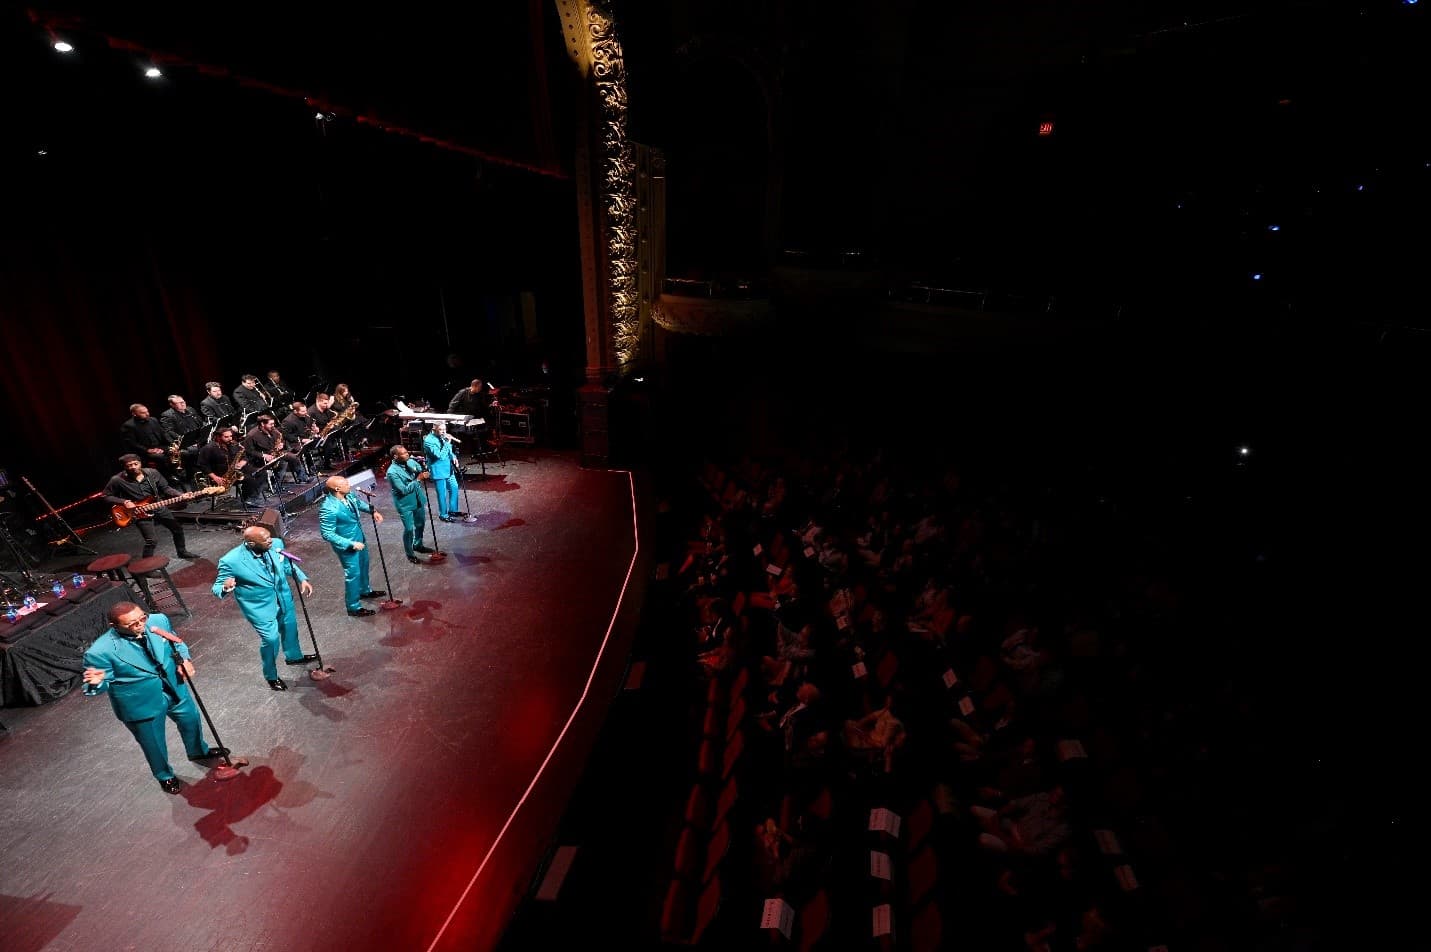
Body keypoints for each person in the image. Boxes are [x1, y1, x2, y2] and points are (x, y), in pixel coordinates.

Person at [81, 602, 225, 794]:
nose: (141, 624)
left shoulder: (158, 621)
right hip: (141, 703)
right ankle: (165, 775)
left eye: (142, 618)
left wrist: (184, 660)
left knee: (191, 720)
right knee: (154, 745)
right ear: (114, 626)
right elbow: (96, 686)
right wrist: (95, 682)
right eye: (132, 624)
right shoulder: (100, 651)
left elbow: (176, 642)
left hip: (174, 687)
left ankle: (198, 751)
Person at [213, 524, 315, 691]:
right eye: (265, 540)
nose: (270, 541)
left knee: (290, 627)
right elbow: (216, 587)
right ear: (252, 543)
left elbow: (287, 564)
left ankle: (294, 656)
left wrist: (301, 578)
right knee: (270, 639)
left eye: (269, 537)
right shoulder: (231, 560)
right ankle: (271, 675)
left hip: (283, 597)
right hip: (259, 607)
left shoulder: (275, 544)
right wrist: (225, 586)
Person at [103, 454, 200, 559]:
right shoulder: (117, 479)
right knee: (151, 541)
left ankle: (182, 552)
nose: (133, 467)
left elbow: (166, 488)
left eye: (136, 464)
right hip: (138, 512)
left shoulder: (152, 473)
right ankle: (147, 565)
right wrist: (124, 501)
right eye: (129, 465)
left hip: (157, 506)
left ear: (140, 463)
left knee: (177, 529)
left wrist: (180, 495)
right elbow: (106, 496)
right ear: (124, 467)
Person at [318, 476, 386, 616]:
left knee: (364, 565)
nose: (349, 485)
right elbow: (327, 533)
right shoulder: (328, 508)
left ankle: (365, 590)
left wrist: (373, 511)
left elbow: (359, 504)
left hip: (359, 538)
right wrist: (350, 543)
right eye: (345, 483)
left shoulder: (349, 495)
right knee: (353, 574)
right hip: (347, 545)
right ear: (337, 489)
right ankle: (353, 606)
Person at [388, 446, 437, 564]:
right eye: (404, 453)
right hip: (405, 504)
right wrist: (418, 479)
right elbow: (403, 490)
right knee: (409, 529)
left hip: (417, 499)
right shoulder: (392, 472)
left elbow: (419, 468)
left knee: (420, 524)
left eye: (406, 452)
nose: (407, 455)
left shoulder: (409, 461)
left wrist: (421, 465)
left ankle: (418, 545)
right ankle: (410, 553)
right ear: (395, 456)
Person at [197, 426, 260, 509]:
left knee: (259, 472)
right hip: (221, 475)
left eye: (231, 436)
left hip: (235, 470)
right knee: (250, 479)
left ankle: (249, 498)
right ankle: (246, 501)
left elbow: (245, 456)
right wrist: (215, 477)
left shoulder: (233, 444)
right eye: (226, 437)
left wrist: (242, 462)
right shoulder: (208, 448)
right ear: (218, 437)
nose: (230, 439)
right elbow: (203, 465)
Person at [244, 413, 310, 487]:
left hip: (276, 453)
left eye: (273, 424)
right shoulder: (251, 435)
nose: (273, 426)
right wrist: (263, 455)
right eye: (271, 424)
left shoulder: (273, 430)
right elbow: (249, 451)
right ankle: (275, 485)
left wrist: (281, 444)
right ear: (262, 424)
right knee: (283, 463)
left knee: (294, 457)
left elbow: (281, 438)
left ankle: (303, 478)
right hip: (261, 459)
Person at [422, 422, 465, 521]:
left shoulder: (442, 436)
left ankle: (453, 510)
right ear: (434, 429)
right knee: (442, 494)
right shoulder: (428, 441)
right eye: (441, 430)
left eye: (445, 429)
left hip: (448, 468)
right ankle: (443, 515)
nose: (444, 432)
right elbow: (440, 456)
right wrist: (447, 443)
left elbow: (449, 451)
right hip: (438, 470)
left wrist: (453, 457)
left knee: (454, 487)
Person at [119, 403, 171, 474]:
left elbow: (163, 434)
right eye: (143, 413)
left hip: (159, 446)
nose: (147, 414)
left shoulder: (153, 420)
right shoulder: (128, 426)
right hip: (144, 451)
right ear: (134, 414)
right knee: (160, 457)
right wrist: (148, 450)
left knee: (180, 451)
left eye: (147, 411)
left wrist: (171, 444)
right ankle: (168, 475)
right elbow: (132, 444)